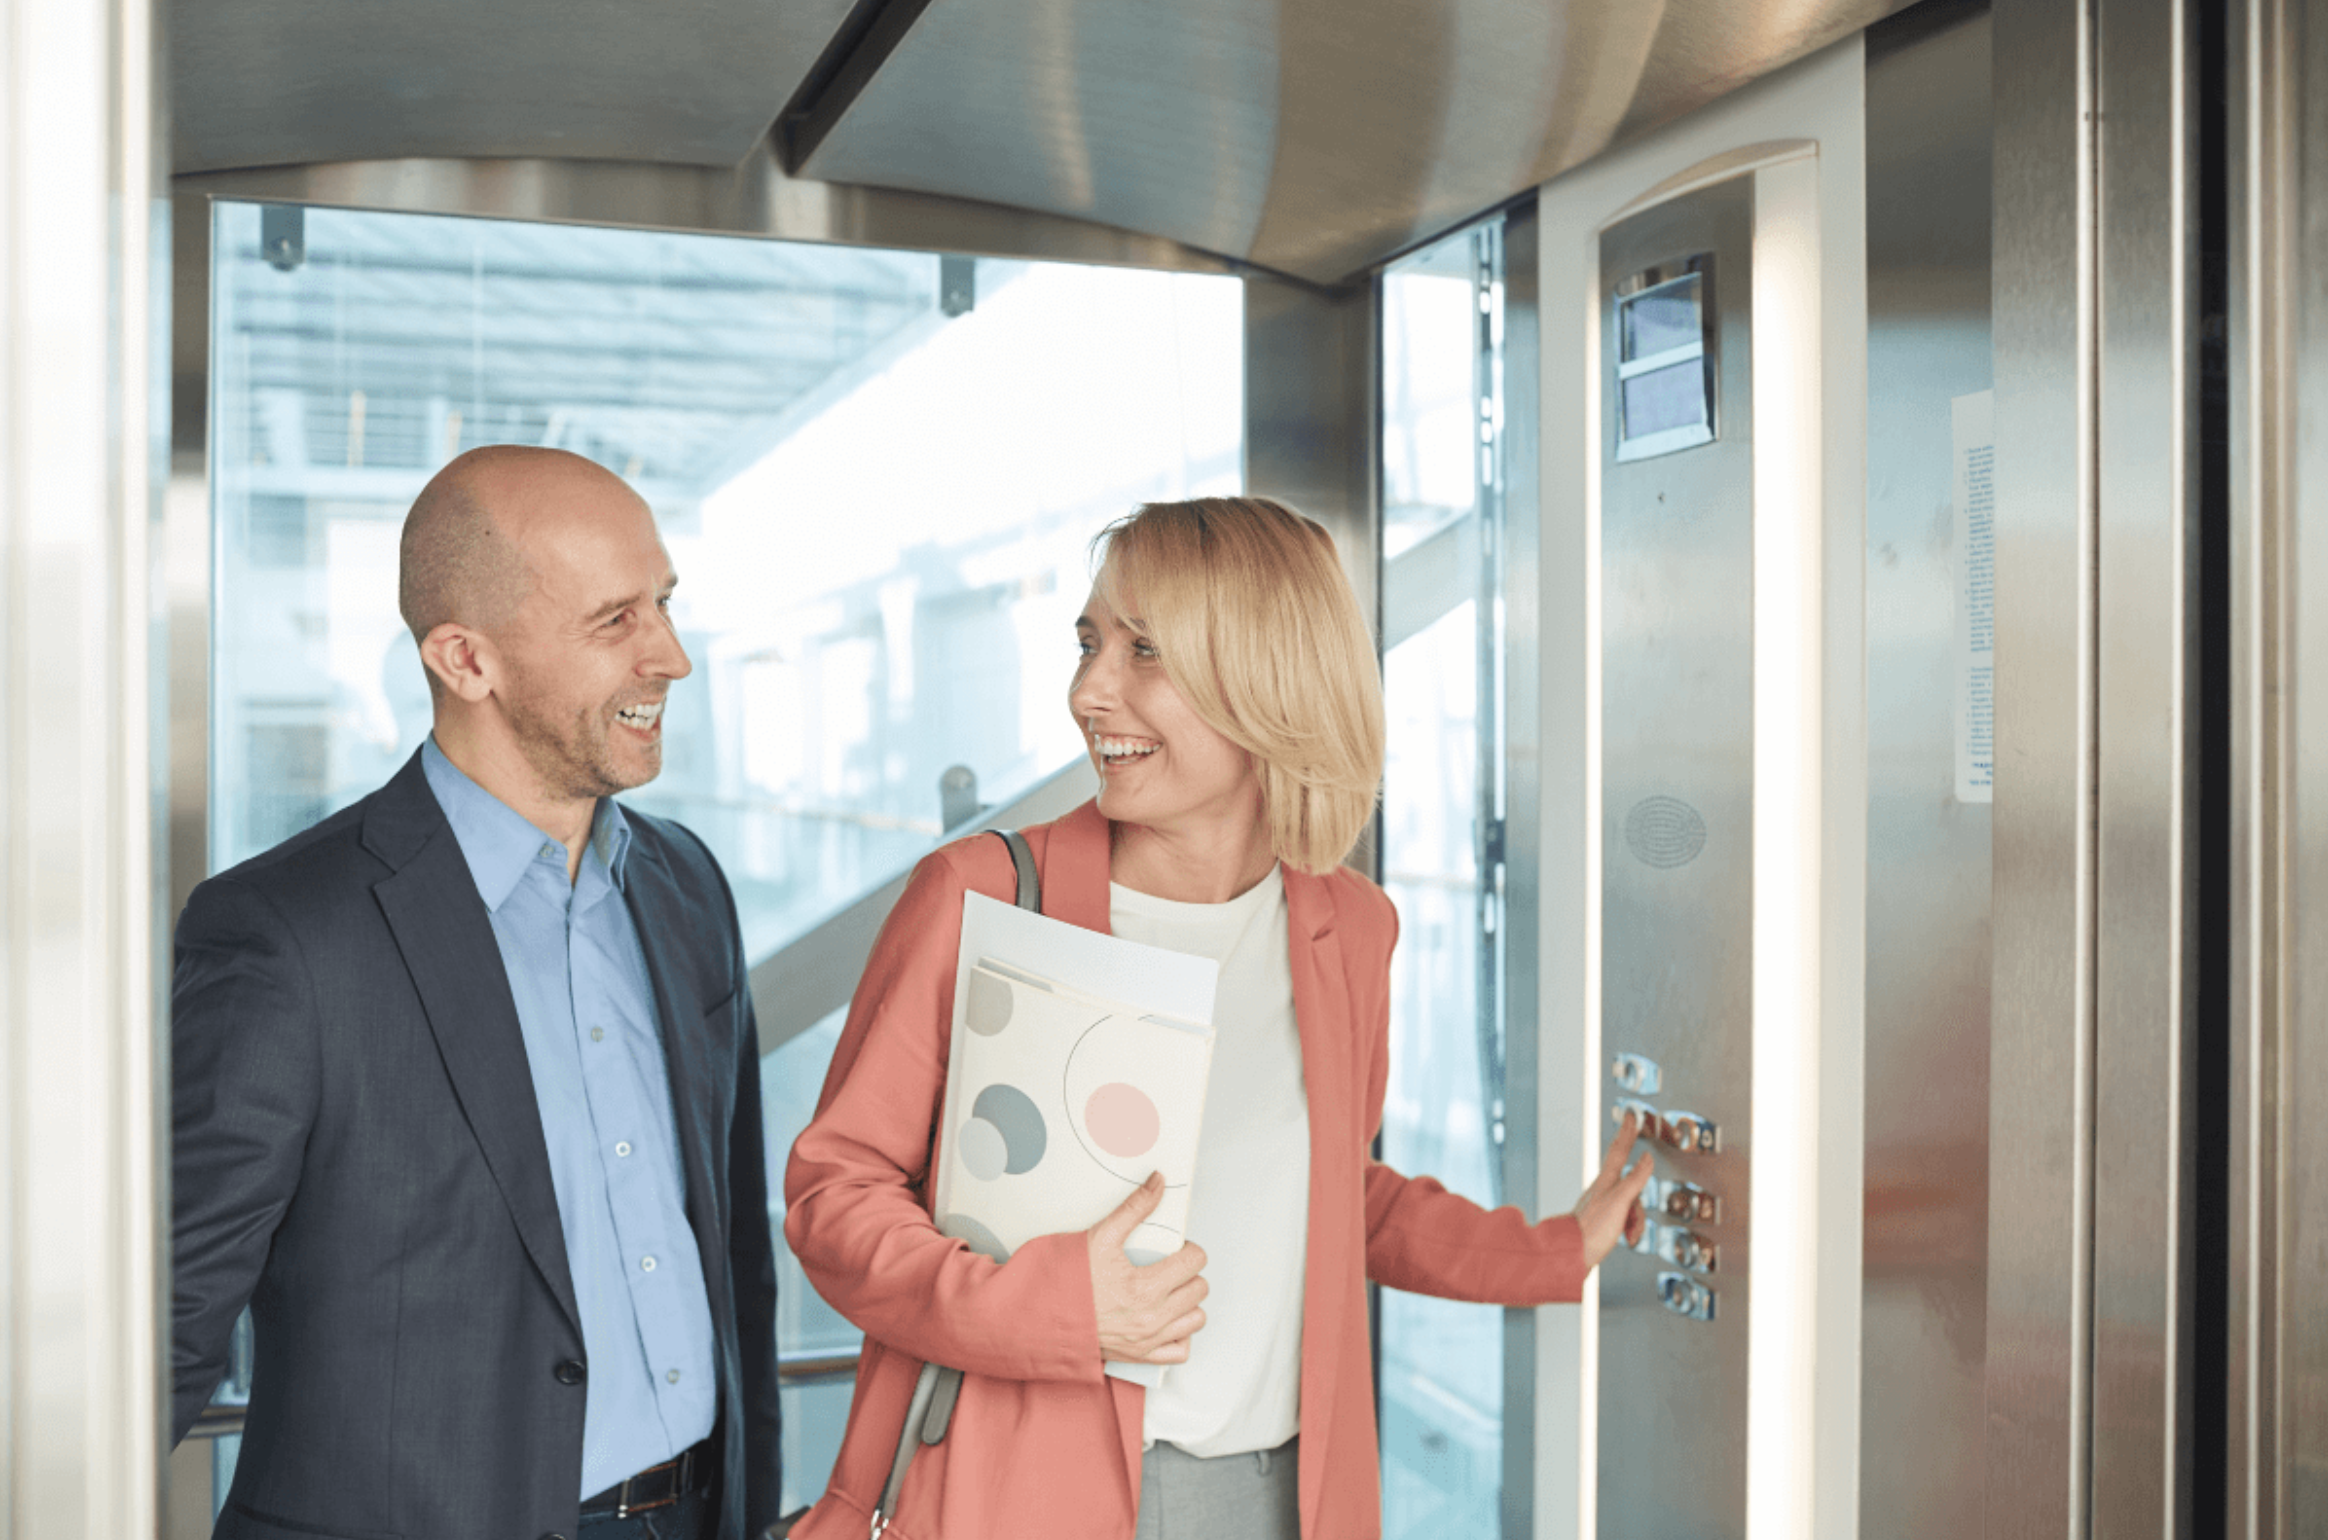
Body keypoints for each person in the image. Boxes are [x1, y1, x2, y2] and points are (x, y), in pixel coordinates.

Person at [783, 495, 1653, 1540]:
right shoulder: (982, 895)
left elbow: (1335, 1193)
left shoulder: (1350, 928)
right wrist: (1055, 1309)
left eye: (1144, 649)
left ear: (1267, 686)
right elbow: (834, 1197)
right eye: (1091, 642)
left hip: (1271, 1501)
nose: (1089, 690)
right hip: (1014, 1493)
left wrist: (1553, 1250)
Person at [170, 446, 781, 1540]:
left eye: (665, 604)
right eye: (616, 621)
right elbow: (164, 1323)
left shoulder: (687, 887)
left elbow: (734, 1255)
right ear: (465, 658)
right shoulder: (283, 935)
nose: (673, 656)